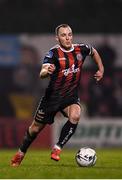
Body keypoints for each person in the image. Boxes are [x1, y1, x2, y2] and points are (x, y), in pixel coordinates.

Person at [11, 24, 104, 167]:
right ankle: (20, 153)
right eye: (63, 35)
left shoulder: (81, 49)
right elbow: (42, 73)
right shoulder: (53, 53)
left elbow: (94, 52)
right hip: (52, 99)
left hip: (70, 97)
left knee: (76, 115)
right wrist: (47, 71)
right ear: (57, 38)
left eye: (69, 34)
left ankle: (57, 148)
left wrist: (101, 69)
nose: (67, 38)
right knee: (35, 129)